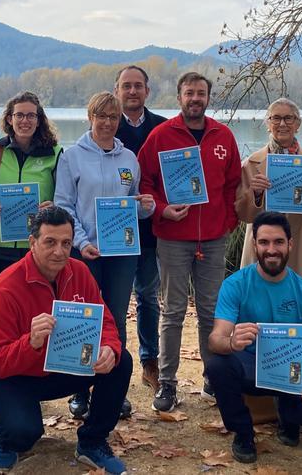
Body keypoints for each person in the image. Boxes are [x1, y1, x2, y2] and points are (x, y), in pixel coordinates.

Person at [0, 206, 132, 474]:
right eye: (50, 242)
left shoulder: (80, 271)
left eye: (66, 243)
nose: (59, 251)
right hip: (13, 376)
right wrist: (31, 342)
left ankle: (92, 442)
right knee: (24, 434)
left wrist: (109, 347)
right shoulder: (7, 285)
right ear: (32, 243)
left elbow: (105, 321)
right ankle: (7, 441)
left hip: (61, 367)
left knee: (121, 361)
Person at [137, 71, 243, 410]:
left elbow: (232, 185)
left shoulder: (222, 134)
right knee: (172, 311)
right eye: (188, 93)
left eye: (200, 93)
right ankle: (167, 383)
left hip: (213, 239)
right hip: (173, 238)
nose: (195, 99)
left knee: (211, 313)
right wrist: (164, 211)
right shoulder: (161, 136)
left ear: (208, 98)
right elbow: (145, 184)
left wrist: (227, 221)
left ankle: (213, 377)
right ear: (179, 97)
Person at [204, 212, 302, 464]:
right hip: (250, 366)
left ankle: (289, 417)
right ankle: (243, 433)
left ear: (290, 244)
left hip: (290, 370)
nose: (271, 249)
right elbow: (216, 339)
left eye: (278, 242)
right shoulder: (235, 284)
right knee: (217, 364)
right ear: (254, 245)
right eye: (264, 242)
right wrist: (232, 342)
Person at [54, 91, 156, 419]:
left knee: (114, 319)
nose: (108, 123)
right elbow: (63, 206)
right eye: (102, 116)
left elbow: (133, 206)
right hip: (86, 252)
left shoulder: (129, 160)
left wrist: (146, 208)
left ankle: (113, 391)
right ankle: (80, 392)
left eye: (113, 117)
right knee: (85, 317)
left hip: (122, 254)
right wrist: (80, 242)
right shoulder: (72, 157)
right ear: (90, 117)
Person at [235, 98, 302, 312]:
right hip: (263, 246)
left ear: (298, 124)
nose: (282, 124)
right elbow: (243, 214)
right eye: (276, 118)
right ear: (267, 123)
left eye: (288, 118)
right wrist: (256, 194)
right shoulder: (251, 163)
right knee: (259, 306)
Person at [113, 65, 167, 391]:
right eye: (126, 86)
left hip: (150, 231)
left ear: (147, 91)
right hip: (112, 231)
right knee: (115, 301)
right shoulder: (105, 125)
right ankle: (115, 362)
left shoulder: (163, 128)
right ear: (117, 90)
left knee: (147, 296)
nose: (132, 91)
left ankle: (150, 361)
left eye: (138, 86)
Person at [0, 91, 62, 278]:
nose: (25, 121)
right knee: (6, 298)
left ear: (39, 120)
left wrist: (53, 206)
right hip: (3, 243)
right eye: (19, 115)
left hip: (41, 243)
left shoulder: (55, 153)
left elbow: (65, 197)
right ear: (10, 119)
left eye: (31, 115)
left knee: (38, 301)